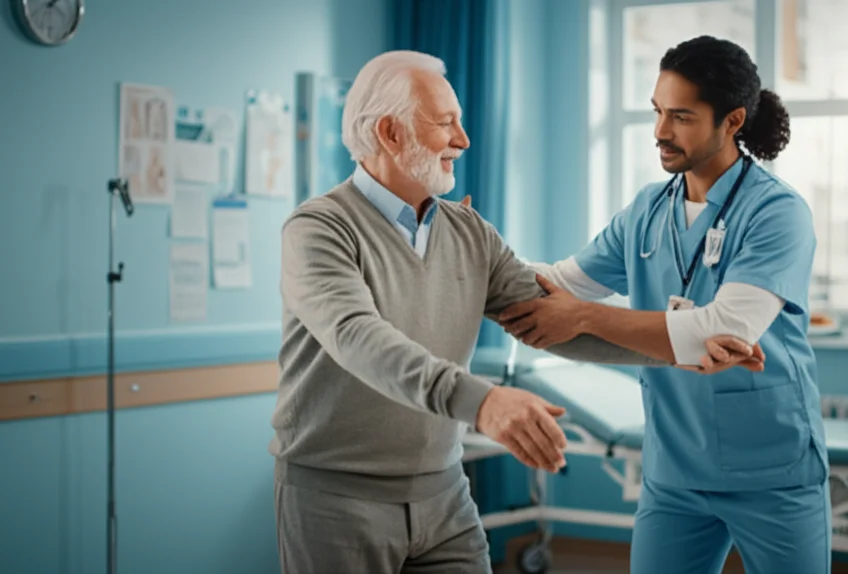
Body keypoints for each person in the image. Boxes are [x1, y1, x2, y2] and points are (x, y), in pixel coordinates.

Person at [268, 50, 755, 574]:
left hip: (443, 492)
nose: (463, 140)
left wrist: (682, 348)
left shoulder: (469, 233)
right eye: (445, 123)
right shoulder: (320, 229)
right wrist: (484, 404)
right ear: (390, 133)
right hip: (338, 499)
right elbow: (359, 338)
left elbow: (554, 319)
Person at [499, 36, 831, 574]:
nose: (659, 131)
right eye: (657, 111)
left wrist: (583, 317)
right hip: (675, 469)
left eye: (681, 116)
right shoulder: (648, 210)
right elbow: (558, 284)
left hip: (770, 469)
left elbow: (721, 330)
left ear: (733, 120)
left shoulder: (776, 212)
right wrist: (470, 257)